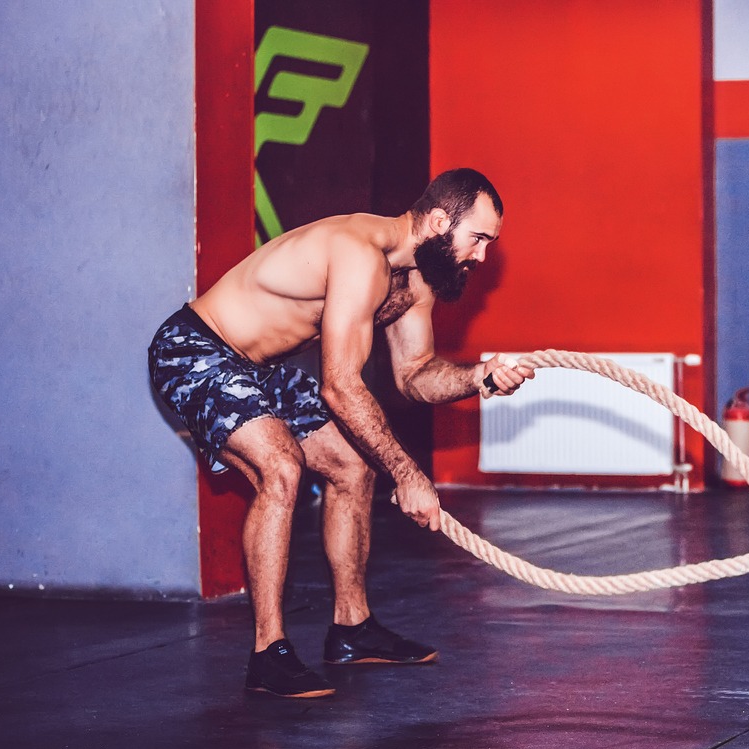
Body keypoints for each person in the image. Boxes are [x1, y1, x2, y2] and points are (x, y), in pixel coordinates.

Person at [148, 168, 533, 698]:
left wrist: (478, 377)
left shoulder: (416, 281)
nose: (482, 257)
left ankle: (352, 628)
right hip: (194, 348)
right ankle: (268, 653)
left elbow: (414, 375)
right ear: (441, 221)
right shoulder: (358, 251)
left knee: (352, 468)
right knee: (280, 467)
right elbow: (340, 386)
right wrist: (407, 473)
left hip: (257, 368)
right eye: (479, 239)